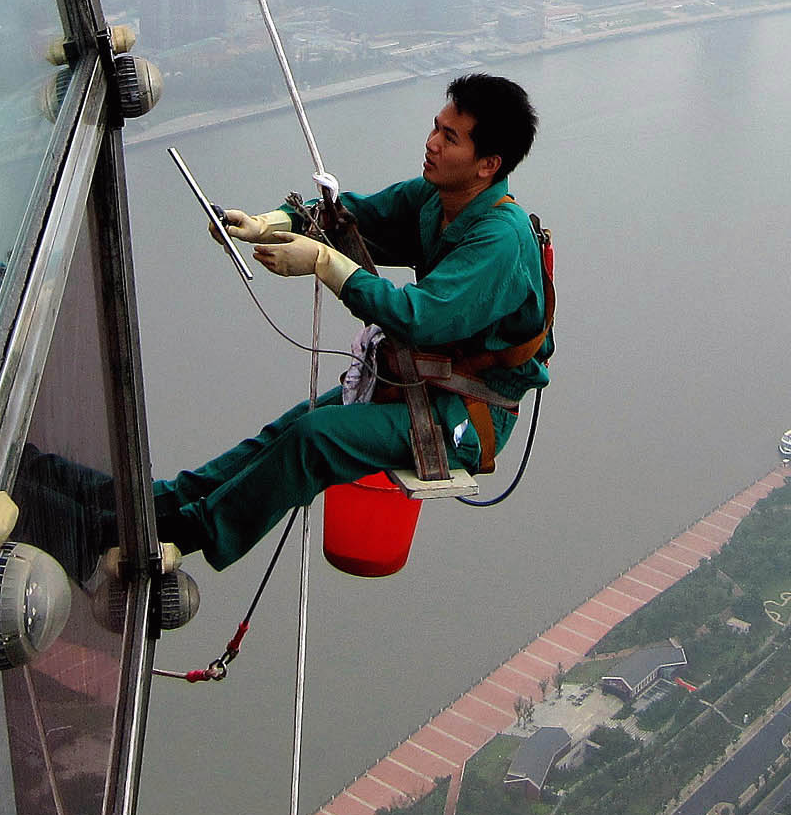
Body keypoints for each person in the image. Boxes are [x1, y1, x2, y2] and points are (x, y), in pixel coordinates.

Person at [154, 73, 548, 570]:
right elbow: (353, 218)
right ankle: (164, 506)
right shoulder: (438, 201)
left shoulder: (500, 240)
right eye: (435, 128)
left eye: (450, 138)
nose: (431, 144)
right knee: (290, 429)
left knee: (315, 438)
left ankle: (190, 535)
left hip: (466, 416)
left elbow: (417, 318)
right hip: (427, 384)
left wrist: (324, 263)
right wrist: (271, 224)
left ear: (488, 165)